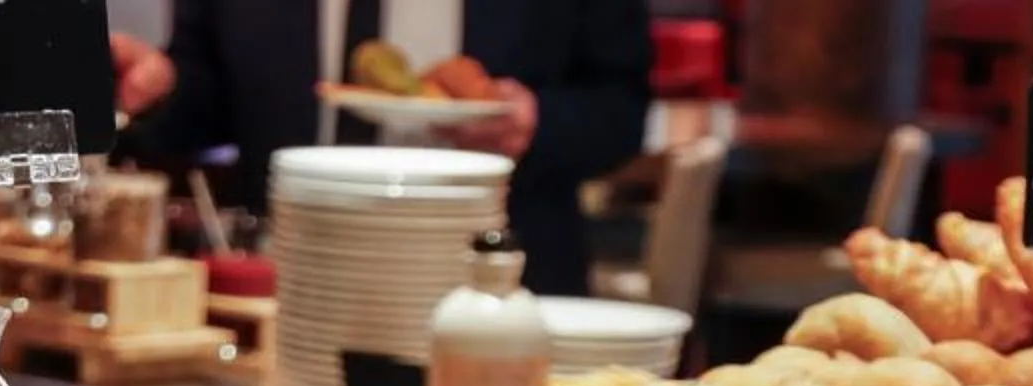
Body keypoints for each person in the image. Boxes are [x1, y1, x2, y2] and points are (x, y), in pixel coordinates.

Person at [111, 0, 652, 295]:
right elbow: (209, 94)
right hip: (295, 284)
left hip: (496, 291)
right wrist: (157, 89)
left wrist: (539, 123)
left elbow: (622, 107)